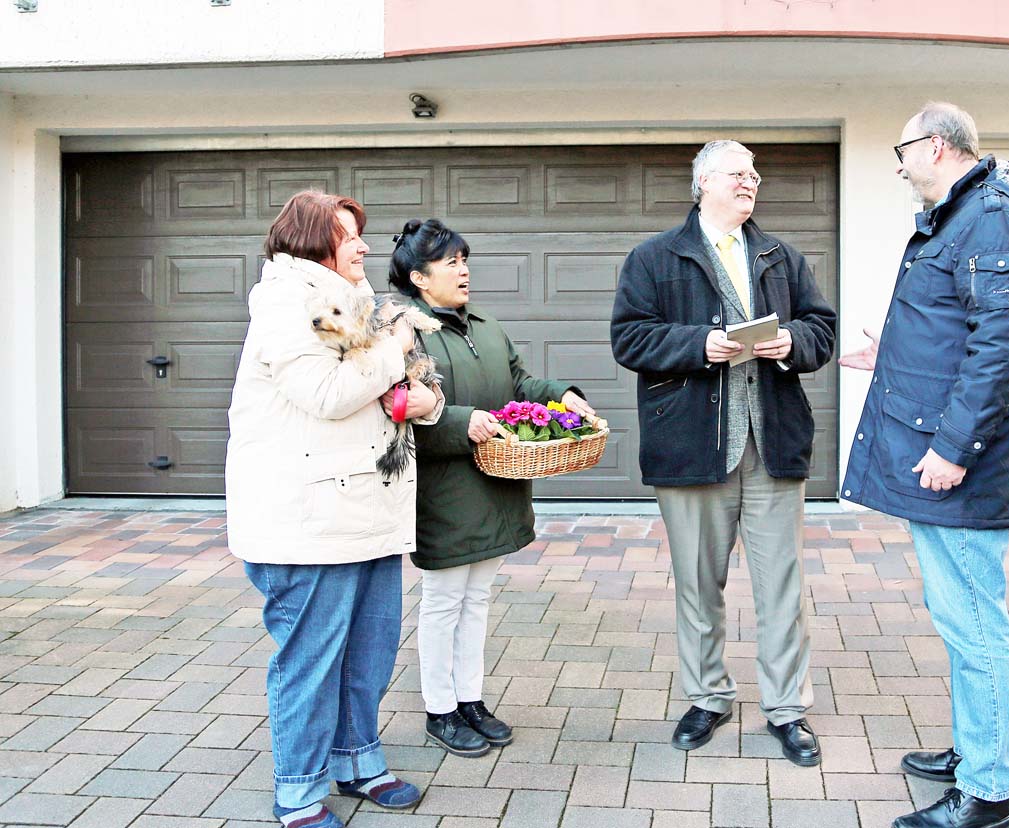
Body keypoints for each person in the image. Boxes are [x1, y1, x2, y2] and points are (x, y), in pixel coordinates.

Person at [840, 103, 1009, 828]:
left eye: (902, 150)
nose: (900, 164)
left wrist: (952, 449)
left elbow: (1004, 348)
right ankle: (985, 750)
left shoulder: (991, 215)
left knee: (973, 622)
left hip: (963, 464)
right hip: (950, 452)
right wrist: (895, 357)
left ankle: (985, 795)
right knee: (961, 617)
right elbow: (967, 328)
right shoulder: (968, 211)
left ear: (935, 146)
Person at [610, 141, 836, 766]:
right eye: (739, 172)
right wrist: (700, 345)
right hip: (691, 447)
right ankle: (708, 696)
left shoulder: (780, 257)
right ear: (703, 181)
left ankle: (788, 709)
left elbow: (822, 328)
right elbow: (628, 337)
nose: (752, 181)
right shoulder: (655, 258)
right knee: (697, 585)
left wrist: (790, 339)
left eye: (755, 173)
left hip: (772, 448)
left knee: (782, 588)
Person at [226, 191, 443, 828]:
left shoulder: (362, 302)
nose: (365, 246)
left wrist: (420, 398)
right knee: (311, 661)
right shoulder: (283, 303)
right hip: (306, 521)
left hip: (367, 514)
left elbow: (405, 391)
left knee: (370, 653)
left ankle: (358, 760)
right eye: (350, 235)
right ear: (314, 241)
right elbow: (325, 393)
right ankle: (297, 790)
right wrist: (397, 345)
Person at [388, 218, 593, 757]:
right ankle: (440, 710)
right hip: (445, 490)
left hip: (497, 485)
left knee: (476, 599)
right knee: (443, 601)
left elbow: (519, 384)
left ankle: (470, 699)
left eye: (464, 259)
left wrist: (561, 395)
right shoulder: (405, 334)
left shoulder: (485, 326)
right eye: (450, 262)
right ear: (418, 277)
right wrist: (462, 422)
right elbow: (402, 409)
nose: (463, 269)